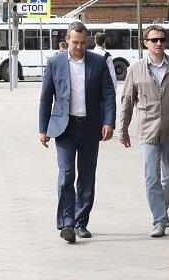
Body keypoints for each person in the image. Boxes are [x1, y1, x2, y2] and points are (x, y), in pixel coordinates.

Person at [38, 21, 116, 244]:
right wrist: (43, 128)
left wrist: (109, 121)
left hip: (91, 126)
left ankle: (81, 223)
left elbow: (108, 94)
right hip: (65, 128)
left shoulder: (98, 62)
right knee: (67, 176)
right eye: (75, 42)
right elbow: (46, 97)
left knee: (87, 176)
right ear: (67, 40)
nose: (79, 47)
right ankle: (67, 223)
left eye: (83, 43)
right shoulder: (55, 63)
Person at [118, 24, 169, 238]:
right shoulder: (135, 69)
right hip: (148, 130)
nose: (159, 43)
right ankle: (159, 220)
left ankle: (162, 209)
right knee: (151, 177)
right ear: (146, 43)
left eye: (162, 39)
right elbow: (126, 102)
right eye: (154, 40)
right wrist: (122, 130)